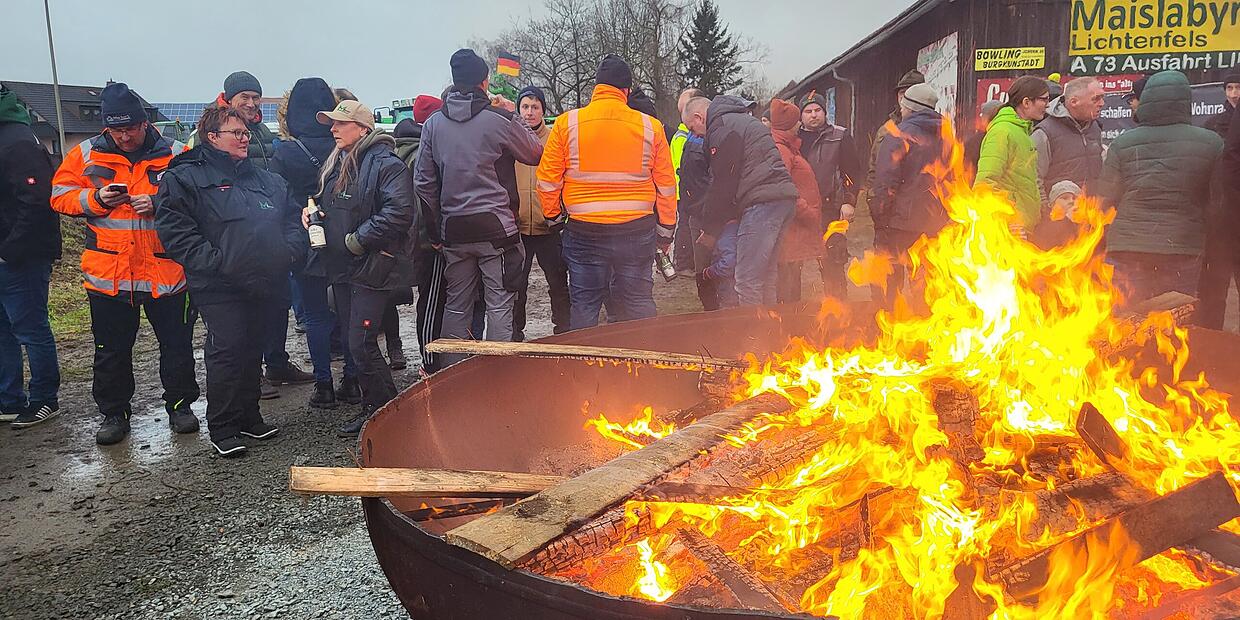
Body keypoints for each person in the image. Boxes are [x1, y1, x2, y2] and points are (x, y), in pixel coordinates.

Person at [50, 83, 200, 444]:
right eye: (117, 130)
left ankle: (180, 406)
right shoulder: (85, 154)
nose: (125, 136)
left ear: (144, 123)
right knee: (110, 351)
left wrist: (159, 204)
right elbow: (59, 196)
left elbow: (200, 199)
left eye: (131, 128)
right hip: (109, 275)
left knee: (177, 346)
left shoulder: (178, 153)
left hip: (167, 272)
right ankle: (114, 414)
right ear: (107, 126)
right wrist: (97, 198)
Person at [154, 106, 305, 457]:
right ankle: (222, 426)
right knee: (227, 349)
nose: (244, 139)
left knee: (254, 346)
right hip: (219, 284)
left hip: (266, 278)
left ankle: (249, 416)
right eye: (236, 133)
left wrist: (288, 251)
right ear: (212, 137)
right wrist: (215, 262)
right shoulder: (185, 177)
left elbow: (292, 217)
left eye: (246, 133)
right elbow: (176, 231)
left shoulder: (266, 178)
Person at [415, 50, 543, 365]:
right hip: (497, 230)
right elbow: (534, 152)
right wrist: (512, 113)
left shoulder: (432, 124)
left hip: (454, 231)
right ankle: (498, 375)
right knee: (499, 304)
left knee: (456, 305)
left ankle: (452, 376)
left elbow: (423, 183)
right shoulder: (499, 119)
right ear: (484, 82)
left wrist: (435, 231)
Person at [537, 55, 676, 329]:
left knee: (585, 304)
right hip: (636, 231)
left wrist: (554, 218)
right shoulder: (651, 126)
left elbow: (547, 181)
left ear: (597, 88)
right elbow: (666, 185)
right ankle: (645, 352)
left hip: (584, 231)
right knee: (638, 300)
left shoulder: (566, 124)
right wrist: (666, 230)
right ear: (626, 90)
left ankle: (584, 357)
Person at [312, 99, 417, 437]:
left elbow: (400, 211)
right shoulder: (339, 162)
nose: (333, 129)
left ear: (362, 128)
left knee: (361, 342)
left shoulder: (386, 163)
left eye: (340, 123)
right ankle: (379, 410)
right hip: (343, 268)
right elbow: (333, 206)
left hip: (373, 266)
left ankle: (386, 414)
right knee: (353, 340)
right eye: (332, 123)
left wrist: (357, 240)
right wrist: (314, 215)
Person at [269, 77, 359, 409]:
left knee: (316, 316)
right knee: (348, 313)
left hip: (305, 241)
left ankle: (323, 385)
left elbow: (276, 199)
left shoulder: (284, 153)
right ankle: (352, 379)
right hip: (345, 238)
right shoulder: (345, 145)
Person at [1098, 70, 1223, 306]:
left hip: (1127, 246)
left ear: (1146, 100)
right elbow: (1217, 201)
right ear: (1186, 102)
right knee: (1175, 314)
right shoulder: (1212, 143)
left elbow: (1105, 198)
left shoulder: (1122, 143)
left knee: (1127, 315)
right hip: (1182, 245)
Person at [682, 95, 798, 306]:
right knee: (765, 275)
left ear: (699, 117)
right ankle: (770, 325)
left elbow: (723, 183)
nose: (695, 134)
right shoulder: (741, 120)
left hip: (762, 202)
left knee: (746, 280)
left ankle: (751, 328)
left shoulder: (720, 128)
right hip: (783, 199)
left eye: (691, 128)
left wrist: (710, 231)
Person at [0, 87, 61, 426]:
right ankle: (8, 399)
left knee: (30, 329)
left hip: (21, 257)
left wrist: (8, 251)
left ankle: (44, 398)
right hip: (9, 253)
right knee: (3, 331)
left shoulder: (17, 140)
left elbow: (36, 200)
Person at [871, 83, 951, 305]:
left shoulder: (899, 134)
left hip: (900, 222)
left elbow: (886, 181)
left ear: (910, 107)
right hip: (935, 222)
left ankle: (889, 321)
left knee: (890, 278)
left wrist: (880, 217)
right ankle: (926, 321)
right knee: (926, 280)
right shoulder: (947, 135)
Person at [510, 86, 568, 340]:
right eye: (525, 107)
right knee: (517, 285)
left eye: (535, 107)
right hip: (519, 226)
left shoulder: (555, 138)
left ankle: (564, 331)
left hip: (550, 225)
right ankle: (515, 334)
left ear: (543, 110)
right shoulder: (510, 138)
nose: (530, 112)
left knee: (558, 282)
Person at [799, 90, 862, 299]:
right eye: (808, 111)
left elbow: (851, 172)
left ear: (825, 113)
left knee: (833, 260)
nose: (813, 115)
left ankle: (837, 307)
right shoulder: (793, 138)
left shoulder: (839, 136)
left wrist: (849, 201)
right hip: (799, 209)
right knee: (793, 264)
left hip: (830, 208)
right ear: (801, 115)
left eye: (817, 110)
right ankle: (791, 312)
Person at [1031, 77, 1105, 247]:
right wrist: (1049, 215)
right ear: (1074, 102)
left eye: (1102, 98)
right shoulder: (1044, 132)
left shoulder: (1094, 128)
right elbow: (1034, 179)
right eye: (1096, 99)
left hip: (1089, 224)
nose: (1102, 103)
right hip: (1058, 229)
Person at [974, 76, 1050, 237]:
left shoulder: (1022, 131)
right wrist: (1006, 222)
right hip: (1008, 233)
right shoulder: (1002, 132)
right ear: (1026, 102)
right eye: (1044, 99)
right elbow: (985, 184)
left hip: (1023, 230)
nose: (1048, 104)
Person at [767, 99, 824, 304]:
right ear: (789, 124)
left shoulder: (787, 146)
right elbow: (783, 189)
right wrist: (807, 212)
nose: (800, 123)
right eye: (797, 120)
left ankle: (791, 320)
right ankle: (789, 323)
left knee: (791, 282)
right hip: (791, 228)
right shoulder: (781, 149)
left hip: (794, 228)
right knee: (787, 289)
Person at [1197, 72, 1240, 329]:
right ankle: (1213, 338)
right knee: (1215, 287)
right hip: (1218, 218)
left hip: (1232, 210)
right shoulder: (1212, 125)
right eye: (1230, 88)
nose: (1234, 93)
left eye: (1238, 87)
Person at [676, 91, 717, 310]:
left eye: (691, 127)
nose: (691, 132)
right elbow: (700, 187)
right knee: (706, 268)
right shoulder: (696, 144)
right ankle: (712, 312)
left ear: (699, 117)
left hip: (705, 216)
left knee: (710, 268)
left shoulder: (702, 141)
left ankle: (714, 311)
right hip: (703, 217)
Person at [862, 70, 924, 211]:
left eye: (909, 92)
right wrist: (873, 199)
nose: (904, 97)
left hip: (922, 208)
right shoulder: (886, 129)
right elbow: (874, 169)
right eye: (901, 93)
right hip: (891, 207)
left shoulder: (935, 127)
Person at [670, 87, 705, 274]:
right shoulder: (684, 136)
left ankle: (684, 261)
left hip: (684, 188)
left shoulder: (686, 134)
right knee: (685, 225)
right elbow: (683, 165)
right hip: (684, 190)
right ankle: (683, 262)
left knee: (685, 224)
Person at [964, 100, 1004, 177]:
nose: (981, 118)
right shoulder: (1010, 133)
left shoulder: (976, 141)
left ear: (987, 117)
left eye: (982, 115)